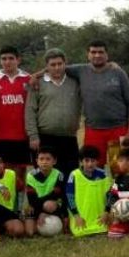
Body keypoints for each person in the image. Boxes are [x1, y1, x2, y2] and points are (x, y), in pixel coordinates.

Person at [66, 40, 129, 166]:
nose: (97, 55)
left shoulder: (118, 72)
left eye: (100, 52)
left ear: (107, 55)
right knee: (93, 168)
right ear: (88, 55)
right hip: (93, 130)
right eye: (93, 52)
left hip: (117, 129)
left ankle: (117, 187)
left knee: (119, 168)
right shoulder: (80, 70)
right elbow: (55, 67)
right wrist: (35, 76)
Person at [25, 48, 81, 176]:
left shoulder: (75, 81)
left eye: (60, 64)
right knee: (46, 178)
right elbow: (30, 110)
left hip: (69, 139)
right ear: (47, 66)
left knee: (70, 177)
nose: (57, 68)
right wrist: (33, 135)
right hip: (45, 138)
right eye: (53, 65)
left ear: (65, 63)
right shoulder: (37, 83)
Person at [0, 46, 31, 176]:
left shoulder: (28, 79)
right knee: (1, 173)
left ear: (18, 60)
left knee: (20, 174)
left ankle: (20, 197)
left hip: (22, 135)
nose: (7, 62)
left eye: (11, 58)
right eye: (4, 59)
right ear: (0, 61)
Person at [66, 146, 112, 237]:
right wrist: (76, 216)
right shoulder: (74, 175)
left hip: (100, 219)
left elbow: (110, 194)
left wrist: (106, 212)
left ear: (97, 161)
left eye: (93, 161)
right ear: (81, 161)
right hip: (81, 219)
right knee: (80, 232)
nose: (90, 164)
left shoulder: (103, 175)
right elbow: (69, 196)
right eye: (86, 160)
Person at [24, 146, 66, 237]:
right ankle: (35, 222)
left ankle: (56, 219)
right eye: (41, 159)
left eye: (48, 159)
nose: (44, 162)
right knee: (29, 233)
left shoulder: (59, 175)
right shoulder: (31, 175)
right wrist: (39, 211)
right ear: (37, 161)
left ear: (54, 161)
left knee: (49, 205)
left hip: (52, 204)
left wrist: (44, 213)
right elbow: (31, 199)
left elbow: (55, 195)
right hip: (36, 205)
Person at [0, 149, 25, 238]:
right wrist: (0, 187)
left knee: (18, 230)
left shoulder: (11, 174)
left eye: (0, 162)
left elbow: (22, 190)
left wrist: (22, 210)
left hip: (6, 213)